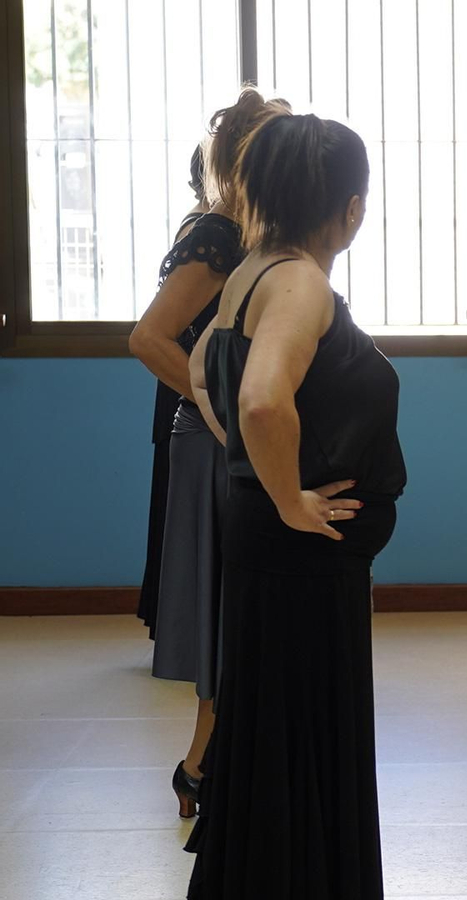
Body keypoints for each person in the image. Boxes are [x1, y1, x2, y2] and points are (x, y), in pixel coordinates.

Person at [185, 113, 404, 899]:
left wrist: (255, 480)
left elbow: (204, 370)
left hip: (273, 549)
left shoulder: (251, 269)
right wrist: (289, 500)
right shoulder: (302, 282)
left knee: (273, 732)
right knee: (302, 735)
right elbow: (261, 402)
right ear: (348, 207)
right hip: (302, 557)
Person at [130, 87, 289, 819]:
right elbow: (149, 338)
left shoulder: (252, 237)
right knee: (230, 608)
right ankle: (204, 765)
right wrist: (216, 408)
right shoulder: (217, 236)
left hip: (228, 441)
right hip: (211, 448)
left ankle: (209, 762)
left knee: (245, 611)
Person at [137, 145, 212, 639]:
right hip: (188, 380)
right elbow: (157, 332)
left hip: (194, 375)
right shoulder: (205, 231)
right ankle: (176, 624)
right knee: (178, 505)